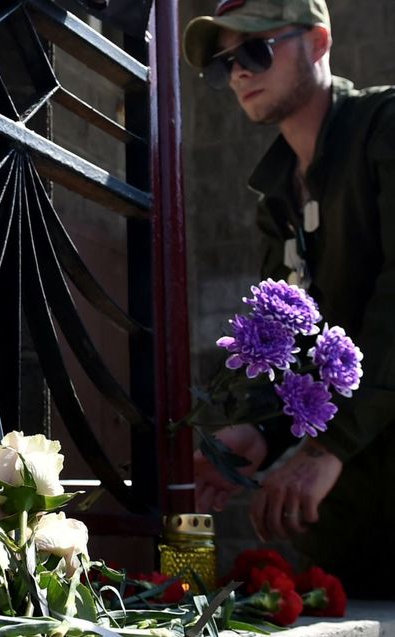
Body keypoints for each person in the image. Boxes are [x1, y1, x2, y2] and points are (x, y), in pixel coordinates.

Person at [183, 0, 395, 596]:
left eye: (256, 49)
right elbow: (293, 349)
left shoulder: (386, 126)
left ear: (319, 42)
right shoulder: (276, 199)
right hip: (349, 527)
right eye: (226, 63)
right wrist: (260, 435)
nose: (240, 73)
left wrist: (330, 445)